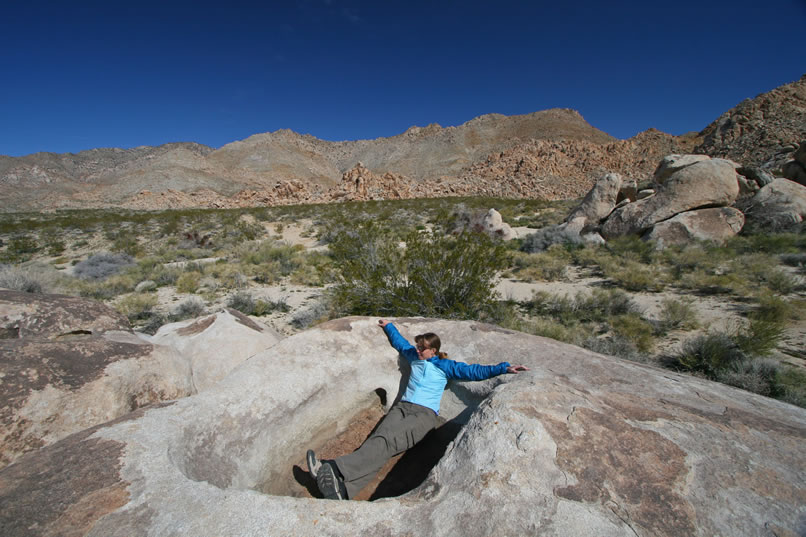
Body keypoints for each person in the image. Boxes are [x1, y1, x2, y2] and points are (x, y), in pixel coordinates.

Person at [306, 319, 529, 500]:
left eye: (422, 347)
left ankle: (333, 469)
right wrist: (388, 326)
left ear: (433, 350)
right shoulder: (413, 356)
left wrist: (504, 368)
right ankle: (343, 492)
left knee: (387, 443)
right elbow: (400, 343)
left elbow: (474, 372)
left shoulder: (445, 366)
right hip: (402, 408)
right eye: (418, 346)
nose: (417, 349)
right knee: (379, 442)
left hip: (424, 415)